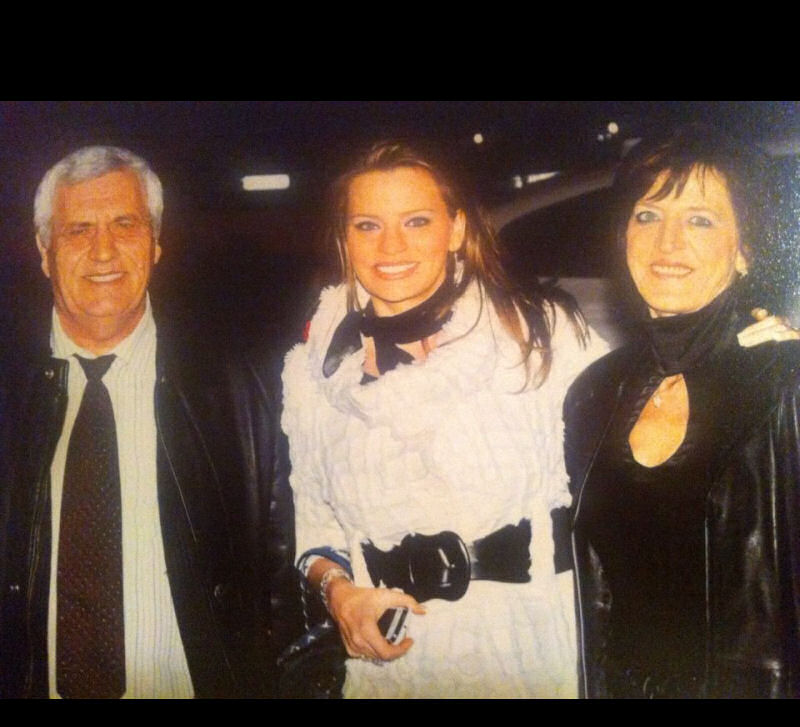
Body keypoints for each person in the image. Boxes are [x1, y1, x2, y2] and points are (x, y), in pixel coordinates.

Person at [281, 140, 610, 698]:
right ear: (343, 238)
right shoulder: (315, 373)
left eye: (416, 221)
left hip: (531, 651)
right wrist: (340, 594)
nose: (391, 246)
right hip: (395, 664)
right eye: (367, 226)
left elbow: (639, 466)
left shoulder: (537, 336)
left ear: (456, 229)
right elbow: (315, 531)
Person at [0, 145, 299, 698]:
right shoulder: (9, 393)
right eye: (78, 230)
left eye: (125, 224)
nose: (104, 251)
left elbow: (284, 582)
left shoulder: (242, 390)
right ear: (44, 251)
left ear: (156, 242)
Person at [565, 124, 800, 698]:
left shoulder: (785, 383)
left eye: (700, 220)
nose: (667, 243)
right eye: (647, 216)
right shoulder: (595, 393)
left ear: (745, 251)